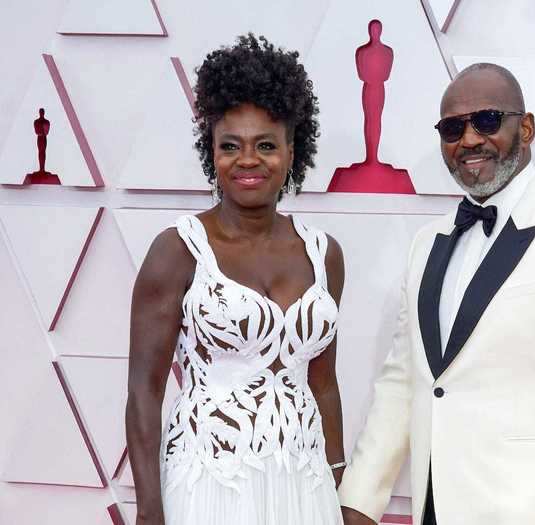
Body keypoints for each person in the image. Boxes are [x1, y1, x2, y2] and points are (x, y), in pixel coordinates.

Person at [339, 63, 535, 525]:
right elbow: (405, 381)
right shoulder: (427, 244)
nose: (469, 140)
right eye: (452, 128)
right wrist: (358, 501)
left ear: (526, 127)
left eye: (486, 120)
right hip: (435, 508)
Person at [126, 34, 346, 525]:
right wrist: (148, 512)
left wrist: (338, 478)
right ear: (212, 153)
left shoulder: (324, 253)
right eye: (231, 146)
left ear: (293, 151)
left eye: (266, 145)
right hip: (208, 482)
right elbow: (144, 389)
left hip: (303, 483)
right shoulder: (177, 250)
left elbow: (323, 382)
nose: (248, 160)